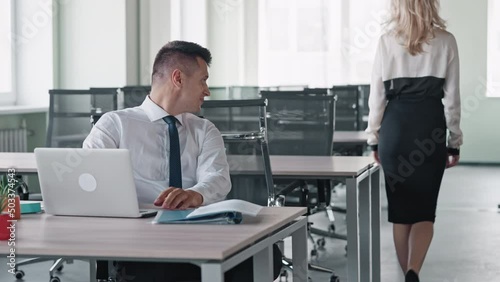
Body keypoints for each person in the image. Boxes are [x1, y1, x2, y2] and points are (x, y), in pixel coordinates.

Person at [83, 41, 282, 282]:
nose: (207, 90)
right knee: (167, 271)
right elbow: (92, 183)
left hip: (196, 230)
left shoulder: (204, 129)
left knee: (266, 253)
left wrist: (195, 194)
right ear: (178, 78)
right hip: (136, 236)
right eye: (203, 80)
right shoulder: (113, 125)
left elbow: (217, 178)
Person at [365, 1, 463, 282]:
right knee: (424, 212)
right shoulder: (447, 41)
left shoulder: (386, 42)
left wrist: (374, 138)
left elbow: (377, 98)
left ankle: (405, 273)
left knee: (400, 212)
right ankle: (413, 271)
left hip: (395, 131)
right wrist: (454, 141)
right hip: (429, 130)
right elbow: (453, 100)